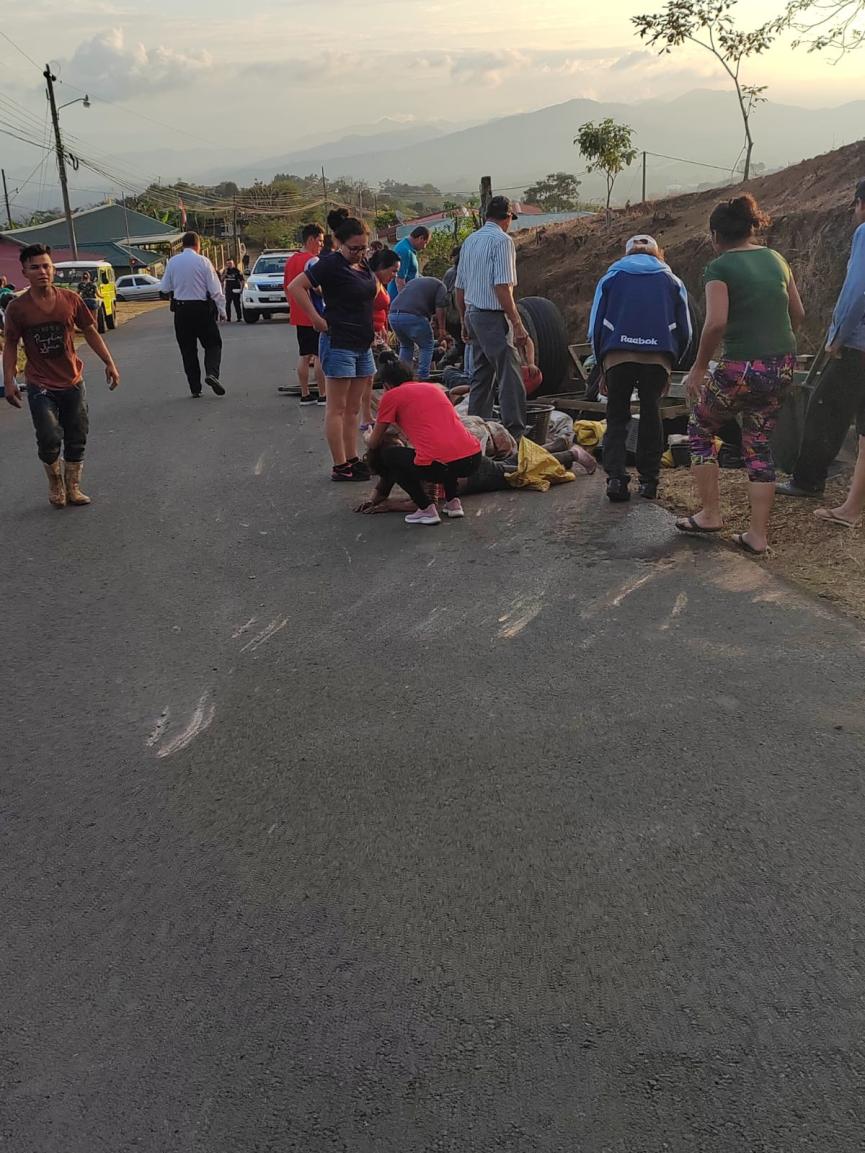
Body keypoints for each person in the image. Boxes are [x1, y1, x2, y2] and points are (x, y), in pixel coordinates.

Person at [678, 195, 805, 554]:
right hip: (781, 366)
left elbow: (716, 322)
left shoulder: (720, 268)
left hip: (741, 368)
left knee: (700, 429)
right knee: (758, 444)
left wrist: (699, 368)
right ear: (751, 228)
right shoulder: (776, 259)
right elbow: (798, 313)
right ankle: (757, 536)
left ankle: (710, 514)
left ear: (716, 235)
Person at [2, 244, 120, 507]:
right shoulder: (17, 308)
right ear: (24, 272)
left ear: (53, 269)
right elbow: (10, 344)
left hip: (72, 380)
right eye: (35, 267)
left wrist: (109, 362)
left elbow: (90, 331)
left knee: (77, 434)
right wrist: (9, 380)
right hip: (40, 383)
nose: (42, 271)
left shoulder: (70, 299)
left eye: (46, 266)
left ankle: (73, 486)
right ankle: (56, 483)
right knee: (49, 436)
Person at [777, 178, 865, 502]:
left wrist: (837, 337)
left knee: (825, 410)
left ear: (861, 204)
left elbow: (857, 291)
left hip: (857, 345)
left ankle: (808, 481)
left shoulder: (864, 232)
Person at [589, 234, 692, 501]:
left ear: (627, 254)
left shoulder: (611, 277)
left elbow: (595, 325)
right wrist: (671, 363)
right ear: (658, 254)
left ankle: (616, 480)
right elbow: (686, 329)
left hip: (617, 355)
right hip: (657, 357)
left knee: (616, 416)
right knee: (650, 413)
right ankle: (649, 482)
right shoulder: (672, 281)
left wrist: (601, 364)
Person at [286, 208, 378, 481]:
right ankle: (340, 464)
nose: (359, 253)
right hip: (339, 342)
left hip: (362, 343)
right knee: (337, 407)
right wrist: (316, 319)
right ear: (339, 243)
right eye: (353, 248)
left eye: (363, 248)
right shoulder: (330, 264)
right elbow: (296, 287)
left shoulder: (363, 265)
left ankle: (352, 457)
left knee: (354, 408)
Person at [365, 352, 482, 525]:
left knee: (388, 455)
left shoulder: (391, 395)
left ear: (387, 385)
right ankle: (453, 502)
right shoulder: (433, 388)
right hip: (473, 458)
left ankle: (426, 508)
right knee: (444, 448)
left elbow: (374, 442)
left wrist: (367, 436)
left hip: (441, 464)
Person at [455, 195, 529, 441]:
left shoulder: (470, 241)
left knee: (482, 374)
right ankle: (515, 432)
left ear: (486, 216)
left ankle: (475, 430)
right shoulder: (502, 241)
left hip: (474, 313)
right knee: (510, 371)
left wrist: (464, 319)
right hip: (491, 315)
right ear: (507, 217)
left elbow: (459, 287)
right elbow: (502, 286)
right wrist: (517, 322)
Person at [159, 231, 227, 398]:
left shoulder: (173, 262)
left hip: (181, 311)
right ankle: (212, 373)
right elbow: (215, 290)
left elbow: (164, 288)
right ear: (198, 245)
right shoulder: (204, 262)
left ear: (182, 245)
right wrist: (222, 310)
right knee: (213, 344)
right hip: (201, 309)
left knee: (188, 350)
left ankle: (195, 388)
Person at [282, 223, 326, 405]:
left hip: (298, 313)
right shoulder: (313, 261)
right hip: (314, 313)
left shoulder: (291, 260)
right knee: (319, 355)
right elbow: (318, 289)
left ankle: (305, 394)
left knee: (304, 354)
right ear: (311, 239)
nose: (322, 245)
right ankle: (323, 394)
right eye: (320, 241)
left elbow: (287, 287)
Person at [388, 274, 448, 381]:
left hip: (393, 315)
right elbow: (440, 308)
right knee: (427, 345)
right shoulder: (441, 287)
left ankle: (402, 377)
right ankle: (423, 376)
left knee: (406, 346)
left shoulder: (415, 282)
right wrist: (442, 329)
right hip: (413, 315)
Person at [366, 248, 400, 430]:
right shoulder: (372, 282)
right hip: (371, 336)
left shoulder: (379, 282)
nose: (395, 275)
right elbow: (364, 309)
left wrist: (385, 328)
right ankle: (373, 415)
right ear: (381, 267)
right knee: (377, 375)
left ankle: (376, 414)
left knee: (371, 378)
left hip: (379, 332)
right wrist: (371, 332)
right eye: (393, 271)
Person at [388, 226, 430, 301]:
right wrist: (406, 301)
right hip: (399, 300)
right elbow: (400, 281)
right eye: (425, 243)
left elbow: (412, 273)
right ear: (421, 238)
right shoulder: (404, 251)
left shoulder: (408, 248)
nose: (424, 247)